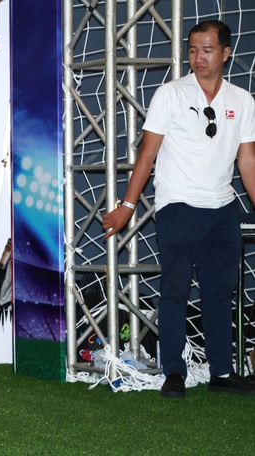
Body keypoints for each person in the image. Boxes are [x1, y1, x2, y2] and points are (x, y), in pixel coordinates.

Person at [102, 20, 255, 397]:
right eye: (192, 50)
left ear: (226, 53)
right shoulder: (169, 94)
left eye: (207, 50)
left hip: (223, 210)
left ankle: (221, 372)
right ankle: (173, 371)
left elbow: (247, 162)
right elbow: (147, 156)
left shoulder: (243, 100)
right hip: (178, 206)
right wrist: (127, 205)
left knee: (219, 293)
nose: (198, 58)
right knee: (174, 292)